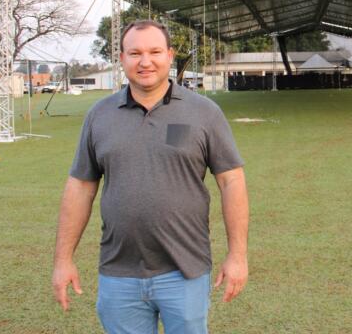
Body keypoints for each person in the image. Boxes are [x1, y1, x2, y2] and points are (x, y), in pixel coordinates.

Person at [52, 20, 249, 334]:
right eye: (135, 53)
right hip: (119, 273)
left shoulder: (204, 113)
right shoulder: (99, 115)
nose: (145, 61)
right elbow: (80, 187)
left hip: (185, 270)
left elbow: (231, 180)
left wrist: (237, 256)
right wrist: (63, 260)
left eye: (155, 51)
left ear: (169, 55)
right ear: (122, 58)